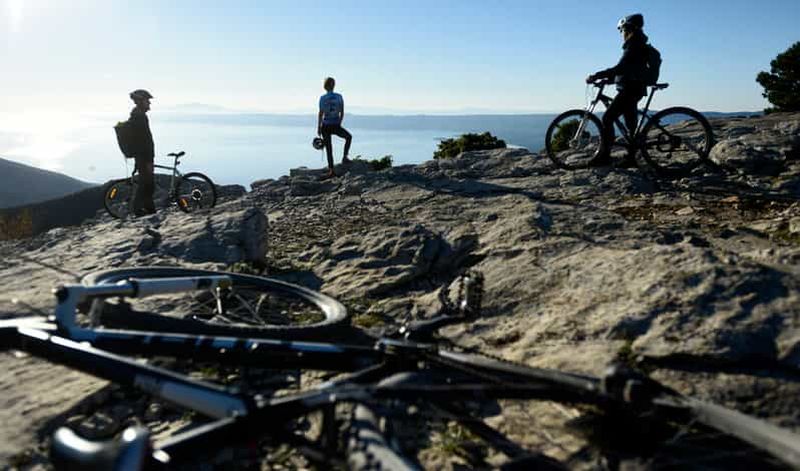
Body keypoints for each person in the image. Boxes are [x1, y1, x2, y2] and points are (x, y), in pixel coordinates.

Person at [585, 13, 651, 167]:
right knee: (630, 123)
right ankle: (631, 159)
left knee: (607, 118)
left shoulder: (634, 44)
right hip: (633, 87)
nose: (621, 33)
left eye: (622, 30)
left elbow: (621, 67)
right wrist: (608, 80)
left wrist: (597, 75)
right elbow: (626, 70)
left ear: (629, 28)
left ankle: (605, 156)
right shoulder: (637, 43)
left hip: (630, 89)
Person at [317, 77, 352, 179]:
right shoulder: (339, 97)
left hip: (325, 126)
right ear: (333, 85)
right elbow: (342, 112)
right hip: (335, 124)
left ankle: (331, 170)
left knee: (329, 148)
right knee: (348, 137)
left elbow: (320, 113)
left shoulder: (322, 98)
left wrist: (319, 127)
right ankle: (345, 157)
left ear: (325, 86)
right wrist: (339, 123)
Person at [128, 89, 156, 216]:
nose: (149, 103)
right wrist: (148, 160)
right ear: (140, 101)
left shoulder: (138, 116)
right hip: (144, 157)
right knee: (146, 184)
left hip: (142, 156)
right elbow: (144, 141)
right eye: (147, 101)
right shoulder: (139, 117)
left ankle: (148, 210)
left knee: (148, 184)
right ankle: (139, 211)